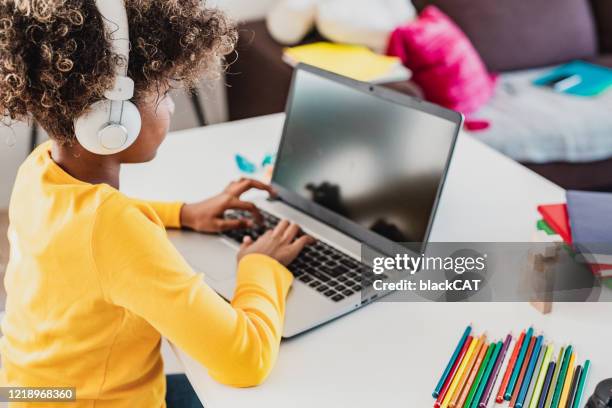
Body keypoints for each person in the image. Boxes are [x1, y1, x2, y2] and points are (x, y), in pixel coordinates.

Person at [0, 1, 312, 407]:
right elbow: (245, 359)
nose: (170, 107)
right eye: (163, 92)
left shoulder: (38, 172)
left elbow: (88, 231)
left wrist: (183, 213)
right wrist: (261, 267)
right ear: (110, 117)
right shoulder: (116, 228)